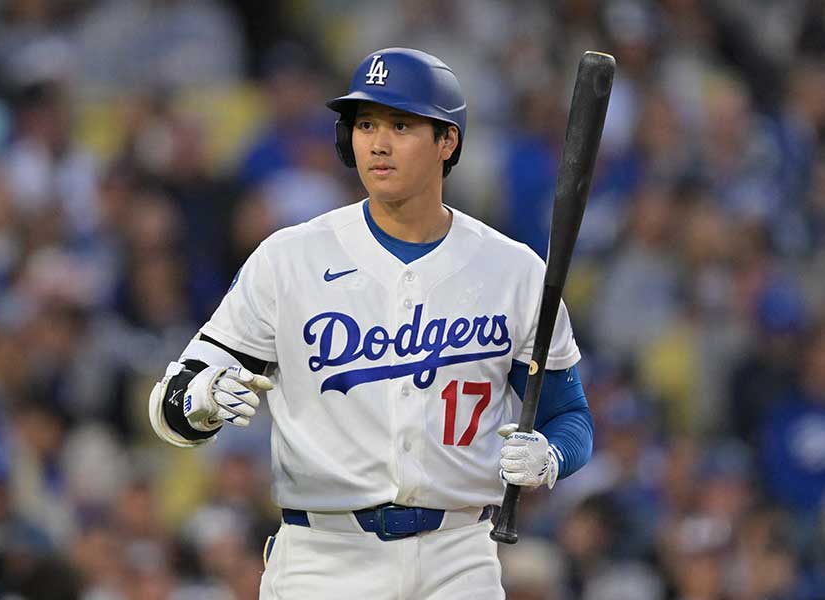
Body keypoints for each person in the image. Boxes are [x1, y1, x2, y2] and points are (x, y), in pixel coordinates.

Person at [148, 47, 594, 599]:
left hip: (460, 556)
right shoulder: (290, 259)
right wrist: (201, 399)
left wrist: (550, 457)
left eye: (400, 124)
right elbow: (173, 400)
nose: (377, 143)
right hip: (325, 557)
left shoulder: (514, 271)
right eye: (364, 125)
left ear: (446, 141)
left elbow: (570, 416)